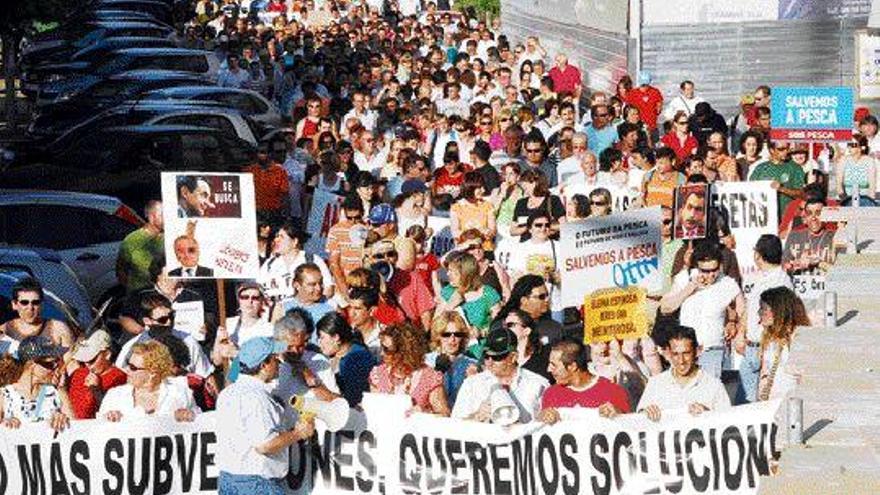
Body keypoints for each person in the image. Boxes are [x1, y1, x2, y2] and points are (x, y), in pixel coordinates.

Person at [216, 336, 316, 495]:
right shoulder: (257, 397)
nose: (279, 362)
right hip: (256, 484)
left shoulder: (227, 393)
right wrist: (299, 433)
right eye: (275, 359)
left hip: (228, 478)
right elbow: (265, 445)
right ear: (264, 365)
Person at [660, 242, 745, 378]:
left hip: (713, 350)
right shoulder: (684, 278)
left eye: (714, 270)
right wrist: (689, 289)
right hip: (685, 350)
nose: (710, 275)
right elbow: (665, 308)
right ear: (696, 266)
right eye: (705, 271)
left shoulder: (727, 283)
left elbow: (743, 310)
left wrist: (735, 325)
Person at [735, 235, 792, 403]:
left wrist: (765, 350)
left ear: (758, 255)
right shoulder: (758, 278)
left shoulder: (781, 282)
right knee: (744, 403)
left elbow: (779, 320)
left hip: (767, 349)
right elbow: (750, 308)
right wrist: (740, 334)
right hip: (751, 347)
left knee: (761, 403)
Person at [115, 292, 215, 388]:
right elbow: (121, 378)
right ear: (147, 321)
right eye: (162, 320)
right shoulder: (133, 347)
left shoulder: (188, 341)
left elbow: (206, 376)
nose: (169, 322)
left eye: (172, 316)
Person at [452, 327, 549, 423]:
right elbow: (454, 426)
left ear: (513, 357)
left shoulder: (538, 385)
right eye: (486, 356)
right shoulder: (472, 385)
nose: (489, 362)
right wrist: (476, 416)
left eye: (496, 357)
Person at [637, 325, 731, 421]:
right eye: (675, 354)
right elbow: (636, 423)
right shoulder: (655, 384)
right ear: (668, 353)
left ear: (697, 351)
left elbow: (728, 424)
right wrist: (645, 414)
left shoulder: (714, 386)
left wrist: (709, 415)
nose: (681, 361)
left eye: (686, 353)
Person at [99, 341, 199, 422]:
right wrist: (108, 418)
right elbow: (97, 428)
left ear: (153, 372)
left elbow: (201, 424)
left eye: (133, 368)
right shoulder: (115, 395)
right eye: (128, 365)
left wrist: (189, 416)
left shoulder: (180, 394)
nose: (127, 370)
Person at [538, 339, 631, 423]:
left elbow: (631, 426)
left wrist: (618, 414)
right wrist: (542, 417)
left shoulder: (612, 391)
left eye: (554, 365)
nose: (548, 370)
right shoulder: (551, 394)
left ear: (572, 367)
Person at [369, 322, 450, 415]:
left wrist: (423, 413)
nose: (382, 353)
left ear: (405, 351)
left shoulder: (429, 377)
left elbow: (444, 414)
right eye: (382, 348)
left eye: (387, 349)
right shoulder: (378, 374)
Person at [0, 336, 73, 432]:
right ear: (31, 365)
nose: (56, 368)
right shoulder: (4, 395)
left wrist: (64, 418)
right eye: (51, 364)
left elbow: (77, 430)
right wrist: (3, 425)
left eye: (57, 363)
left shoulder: (56, 392)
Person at [756, 287, 809, 401]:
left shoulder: (798, 339)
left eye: (764, 309)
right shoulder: (768, 337)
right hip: (770, 403)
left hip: (791, 404)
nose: (759, 312)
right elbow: (765, 371)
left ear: (778, 311)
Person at [259, 223, 333, 301]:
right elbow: (259, 288)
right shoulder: (270, 264)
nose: (276, 240)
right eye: (276, 237)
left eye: (282, 237)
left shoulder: (312, 260)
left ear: (295, 241)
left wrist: (312, 304)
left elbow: (329, 289)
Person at [316, 313, 376, 408]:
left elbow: (354, 400)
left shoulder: (355, 359)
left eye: (322, 337)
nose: (319, 342)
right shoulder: (339, 355)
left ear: (336, 337)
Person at [212, 282, 274, 369]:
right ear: (239, 300)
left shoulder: (269, 330)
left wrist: (236, 353)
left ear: (261, 302)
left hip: (257, 381)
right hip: (234, 378)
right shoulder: (228, 324)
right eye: (244, 297)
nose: (250, 301)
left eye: (255, 298)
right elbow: (217, 361)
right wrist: (218, 341)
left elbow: (265, 366)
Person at [0, 277, 73, 351]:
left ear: (41, 304)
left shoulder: (59, 329)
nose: (30, 307)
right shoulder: (5, 330)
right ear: (14, 304)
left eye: (35, 302)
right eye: (24, 302)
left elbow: (70, 360)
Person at [68, 330, 127, 419]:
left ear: (107, 354)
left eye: (91, 360)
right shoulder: (77, 374)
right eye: (83, 361)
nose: (87, 365)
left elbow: (115, 412)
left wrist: (96, 390)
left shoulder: (121, 378)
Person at [437, 252, 502, 334]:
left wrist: (481, 332)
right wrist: (450, 305)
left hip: (480, 344)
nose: (448, 274)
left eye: (452, 271)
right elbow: (435, 327)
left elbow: (499, 327)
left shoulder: (488, 293)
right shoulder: (448, 292)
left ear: (465, 274)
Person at [425, 311, 479, 407]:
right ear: (438, 336)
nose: (452, 339)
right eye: (446, 334)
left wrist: (472, 380)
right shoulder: (426, 361)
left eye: (457, 334)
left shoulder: (471, 364)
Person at [117, 200, 165, 293]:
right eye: (162, 215)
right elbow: (121, 270)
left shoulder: (171, 238)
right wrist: (133, 293)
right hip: (140, 295)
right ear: (151, 217)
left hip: (164, 295)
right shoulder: (132, 240)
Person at [750, 140, 805, 219]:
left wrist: (781, 189)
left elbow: (801, 194)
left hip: (787, 218)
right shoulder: (761, 168)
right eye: (781, 149)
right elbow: (750, 190)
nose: (785, 151)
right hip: (766, 218)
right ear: (771, 150)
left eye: (787, 148)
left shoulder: (795, 168)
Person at [326, 195, 369, 294]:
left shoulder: (369, 229)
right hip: (345, 282)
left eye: (357, 217)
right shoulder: (335, 230)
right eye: (349, 218)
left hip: (366, 283)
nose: (353, 221)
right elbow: (334, 264)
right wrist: (344, 290)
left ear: (362, 212)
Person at [782, 197, 836, 275]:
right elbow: (784, 266)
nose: (813, 218)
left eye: (818, 213)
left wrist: (819, 263)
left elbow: (844, 273)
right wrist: (793, 266)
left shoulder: (836, 237)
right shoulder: (794, 236)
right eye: (810, 213)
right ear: (805, 217)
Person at [276, 264, 337, 332]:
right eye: (312, 284)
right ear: (297, 285)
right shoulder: (282, 308)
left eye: (320, 283)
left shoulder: (332, 306)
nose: (318, 288)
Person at [450, 172, 496, 243]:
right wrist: (470, 235)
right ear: (470, 188)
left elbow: (492, 231)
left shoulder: (488, 206)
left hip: (484, 248)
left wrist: (485, 232)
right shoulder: (456, 208)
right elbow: (455, 232)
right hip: (465, 247)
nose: (483, 190)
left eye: (483, 187)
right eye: (479, 188)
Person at [835, 133, 877, 203]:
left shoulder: (869, 161)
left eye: (853, 145)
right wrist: (845, 200)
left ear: (861, 147)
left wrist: (869, 202)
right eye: (849, 145)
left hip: (865, 199)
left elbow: (872, 185)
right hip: (846, 198)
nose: (849, 148)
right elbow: (839, 184)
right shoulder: (843, 160)